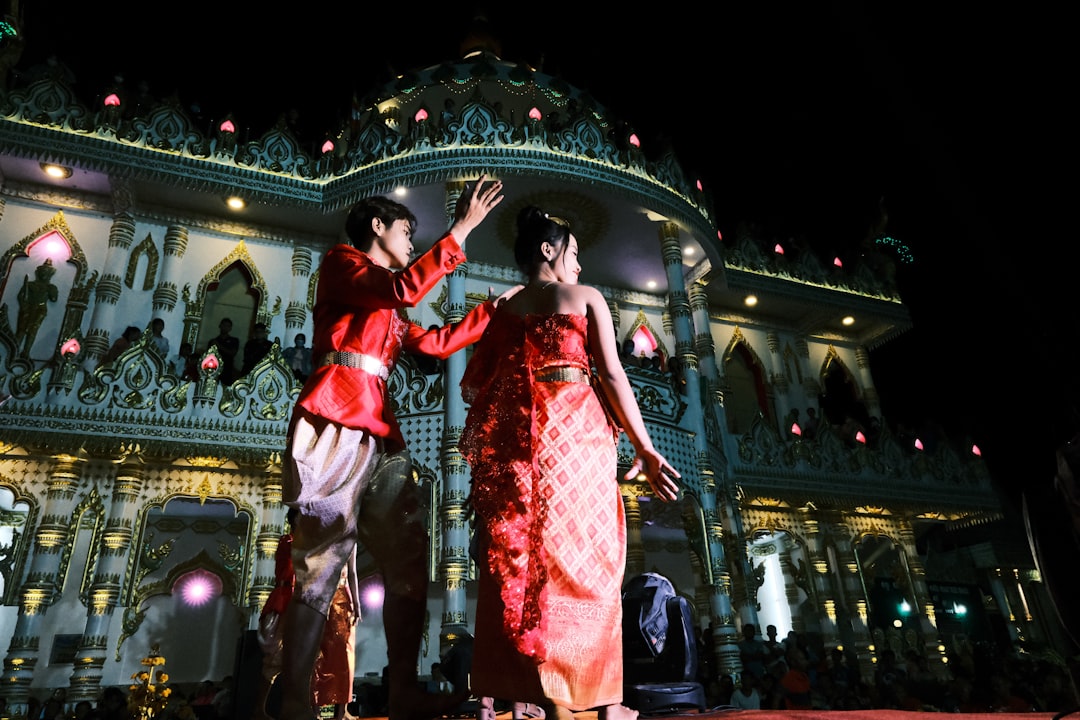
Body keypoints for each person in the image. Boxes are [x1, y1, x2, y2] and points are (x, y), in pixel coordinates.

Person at [278, 176, 508, 720]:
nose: (411, 240)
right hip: (333, 417)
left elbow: (436, 343)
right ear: (376, 227)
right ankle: (292, 700)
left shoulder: (386, 297)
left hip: (379, 430)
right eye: (406, 231)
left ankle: (402, 687)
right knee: (322, 557)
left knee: (409, 557)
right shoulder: (343, 262)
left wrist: (494, 309)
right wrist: (462, 230)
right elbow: (404, 288)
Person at [459, 206, 681, 720]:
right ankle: (595, 696)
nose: (579, 267)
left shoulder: (506, 310)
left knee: (530, 565)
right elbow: (612, 374)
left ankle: (543, 692)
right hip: (575, 436)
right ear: (549, 251)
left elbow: (484, 392)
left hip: (520, 447)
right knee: (591, 558)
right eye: (574, 254)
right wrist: (644, 448)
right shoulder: (584, 298)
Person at [15, 258, 59, 357]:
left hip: (40, 309)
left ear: (50, 274)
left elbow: (53, 299)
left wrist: (52, 291)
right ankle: (15, 349)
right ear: (38, 272)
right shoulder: (30, 284)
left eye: (46, 272)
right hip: (28, 307)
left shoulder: (50, 287)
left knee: (33, 330)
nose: (44, 274)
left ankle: (26, 352)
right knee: (21, 329)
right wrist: (23, 306)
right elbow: (21, 296)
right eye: (42, 271)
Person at [209, 318, 240, 384]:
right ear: (220, 326)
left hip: (227, 369)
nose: (225, 328)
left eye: (227, 326)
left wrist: (218, 346)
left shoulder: (234, 341)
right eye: (224, 325)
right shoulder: (213, 341)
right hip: (214, 369)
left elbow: (232, 353)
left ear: (230, 328)